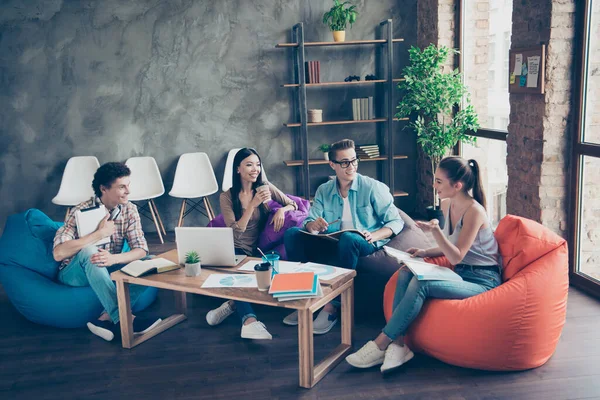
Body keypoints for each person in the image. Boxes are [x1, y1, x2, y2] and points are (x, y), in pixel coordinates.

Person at [345, 156, 501, 373]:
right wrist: (424, 252)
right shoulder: (449, 204)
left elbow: (456, 256)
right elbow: (451, 246)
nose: (433, 186)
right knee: (406, 272)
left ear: (457, 186)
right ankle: (399, 344)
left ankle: (380, 344)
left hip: (484, 280)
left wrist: (435, 232)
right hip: (462, 273)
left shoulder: (474, 211)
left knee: (423, 284)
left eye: (438, 182)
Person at [283, 139, 405, 334]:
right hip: (332, 240)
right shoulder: (325, 189)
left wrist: (373, 235)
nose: (352, 166)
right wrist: (313, 225)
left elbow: (396, 222)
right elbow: (310, 220)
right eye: (345, 162)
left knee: (349, 238)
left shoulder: (372, 187)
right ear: (332, 164)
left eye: (354, 160)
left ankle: (332, 306)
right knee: (291, 234)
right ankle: (303, 298)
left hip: (363, 241)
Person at [53, 162, 161, 342]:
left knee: (153, 261)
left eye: (128, 185)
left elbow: (142, 250)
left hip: (107, 268)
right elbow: (58, 253)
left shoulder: (129, 209)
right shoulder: (79, 210)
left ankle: (104, 319)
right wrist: (99, 234)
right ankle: (126, 320)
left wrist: (114, 259)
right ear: (103, 189)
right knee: (89, 252)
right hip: (74, 273)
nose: (128, 191)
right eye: (121, 187)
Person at [205, 148, 298, 340]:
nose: (255, 169)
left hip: (255, 249)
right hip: (234, 247)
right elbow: (236, 230)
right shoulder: (227, 197)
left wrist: (282, 211)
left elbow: (293, 204)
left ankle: (230, 304)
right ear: (238, 169)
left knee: (260, 275)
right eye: (249, 164)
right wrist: (253, 205)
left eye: (257, 164)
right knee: (241, 275)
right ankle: (249, 322)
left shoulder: (265, 187)